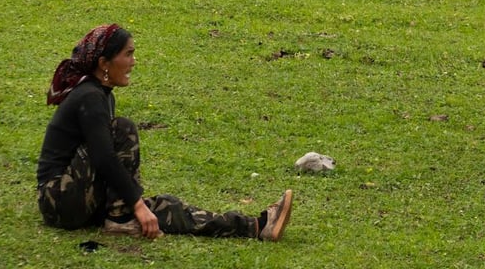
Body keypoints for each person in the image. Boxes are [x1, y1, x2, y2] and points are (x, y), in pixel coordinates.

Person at [37, 23, 294, 241]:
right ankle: (121, 218)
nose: (133, 62)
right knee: (122, 130)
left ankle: (257, 226)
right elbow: (103, 157)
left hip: (84, 196)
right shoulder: (89, 97)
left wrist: (138, 204)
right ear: (104, 62)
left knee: (167, 207)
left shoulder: (102, 95)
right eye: (128, 54)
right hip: (59, 200)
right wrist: (136, 204)